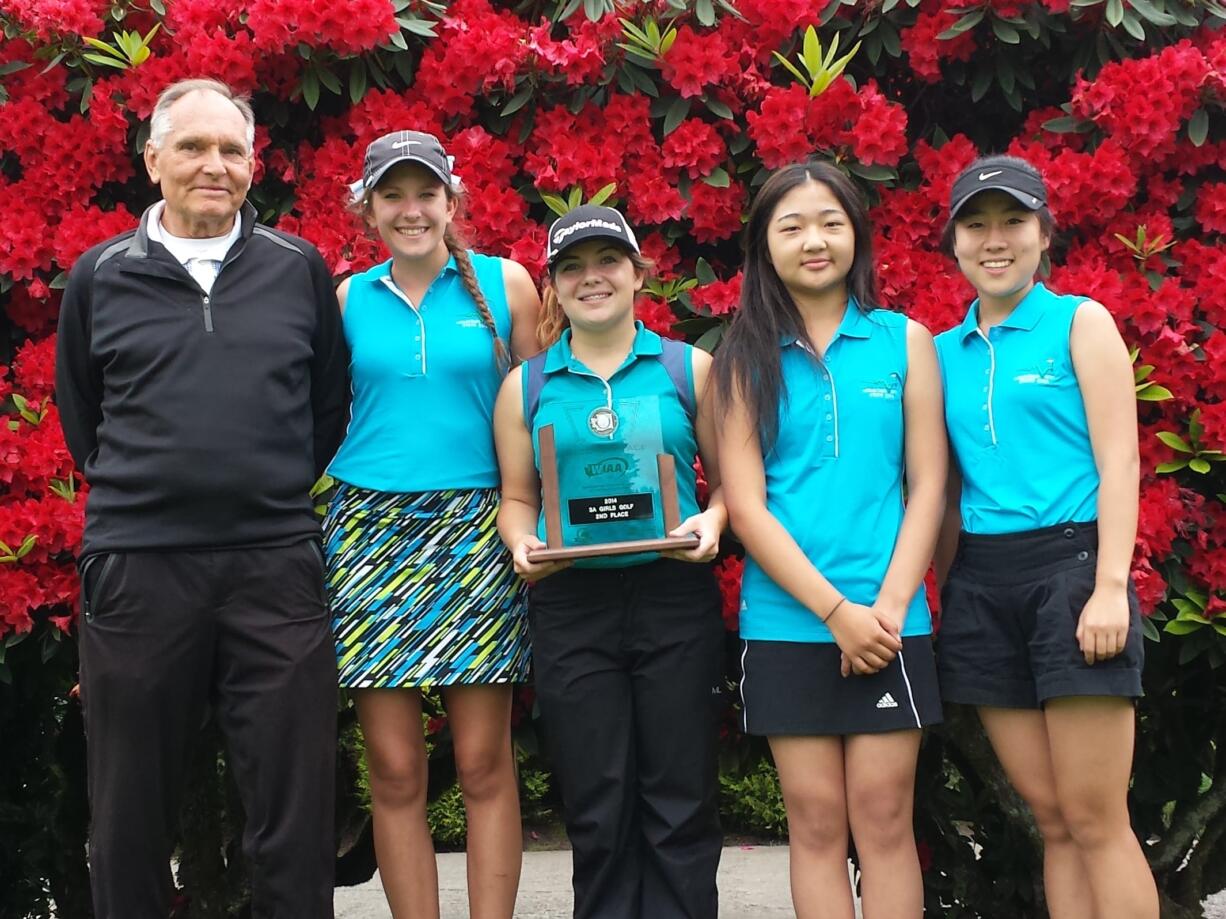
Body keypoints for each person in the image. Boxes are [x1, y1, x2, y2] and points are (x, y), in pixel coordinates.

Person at [54, 78, 349, 919]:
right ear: (153, 160)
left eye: (231, 150)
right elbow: (85, 418)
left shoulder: (297, 270)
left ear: (254, 164)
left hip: (275, 566)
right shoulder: (99, 275)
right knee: (129, 806)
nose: (213, 165)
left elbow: (323, 412)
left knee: (293, 811)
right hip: (140, 569)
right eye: (192, 147)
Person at [712, 162, 946, 919]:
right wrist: (833, 612)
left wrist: (882, 609)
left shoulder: (905, 342)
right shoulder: (741, 359)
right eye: (792, 226)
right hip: (786, 622)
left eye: (830, 223)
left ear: (857, 235)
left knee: (884, 819)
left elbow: (928, 488)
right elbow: (745, 507)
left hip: (890, 618)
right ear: (763, 245)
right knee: (813, 824)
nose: (814, 240)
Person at [933, 154, 1159, 919]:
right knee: (1055, 822)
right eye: (976, 224)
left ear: (1042, 234)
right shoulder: (939, 354)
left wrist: (1109, 587)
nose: (994, 240)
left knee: (1098, 820)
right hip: (983, 583)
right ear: (955, 242)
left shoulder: (1079, 321)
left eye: (1012, 222)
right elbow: (943, 489)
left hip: (1073, 570)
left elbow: (1119, 459)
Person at [323, 130, 540, 919]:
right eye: (392, 195)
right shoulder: (347, 300)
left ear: (452, 200)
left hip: (478, 532)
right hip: (370, 535)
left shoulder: (508, 285)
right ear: (369, 208)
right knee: (394, 768)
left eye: (425, 194)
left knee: (484, 759)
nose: (410, 211)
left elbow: (548, 417)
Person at [493, 205, 727, 919]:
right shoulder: (526, 387)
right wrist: (520, 543)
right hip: (570, 606)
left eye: (607, 262)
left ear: (638, 274)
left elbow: (732, 488)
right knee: (596, 803)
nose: (591, 278)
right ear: (554, 286)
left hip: (673, 596)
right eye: (572, 267)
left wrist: (712, 521)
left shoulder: (691, 367)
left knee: (680, 797)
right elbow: (516, 497)